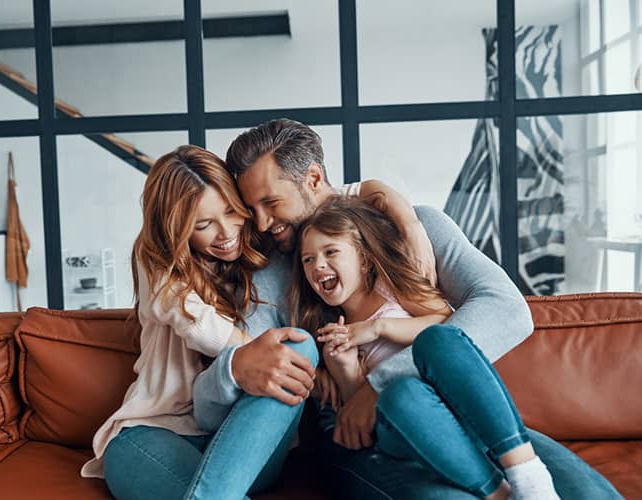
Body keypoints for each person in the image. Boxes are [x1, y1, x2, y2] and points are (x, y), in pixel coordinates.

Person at [192, 118, 621, 499]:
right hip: (360, 442)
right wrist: (240, 368)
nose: (263, 224)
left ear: (314, 178)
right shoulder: (270, 276)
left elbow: (507, 311)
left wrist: (378, 385)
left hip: (451, 411)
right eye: (253, 210)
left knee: (578, 489)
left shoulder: (415, 229)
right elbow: (246, 374)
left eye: (271, 203)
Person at [80, 145, 318, 500]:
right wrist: (244, 356)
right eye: (204, 225)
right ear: (177, 230)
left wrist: (379, 193)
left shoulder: (265, 246)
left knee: (298, 345)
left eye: (231, 211)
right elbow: (199, 326)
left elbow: (322, 199)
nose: (226, 233)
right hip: (155, 431)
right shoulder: (157, 261)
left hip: (245, 442)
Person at [292, 196, 560, 500]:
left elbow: (448, 327)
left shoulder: (391, 290)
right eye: (308, 260)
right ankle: (500, 495)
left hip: (446, 409)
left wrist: (379, 327)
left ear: (364, 259)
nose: (318, 266)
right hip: (399, 428)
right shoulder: (330, 333)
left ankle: (522, 480)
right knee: (401, 396)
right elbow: (359, 415)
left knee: (431, 356)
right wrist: (346, 370)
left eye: (330, 252)